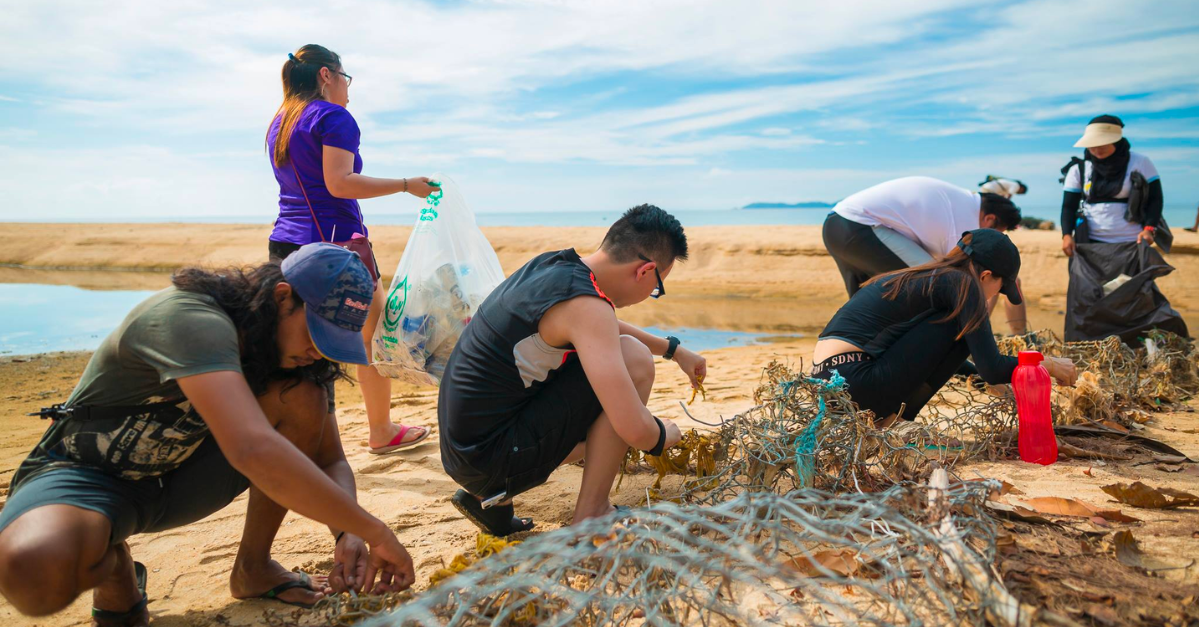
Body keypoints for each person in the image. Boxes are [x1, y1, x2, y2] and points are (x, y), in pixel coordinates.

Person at [0, 244, 416, 625]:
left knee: (303, 395)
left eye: (333, 342)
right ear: (282, 297)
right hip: (88, 475)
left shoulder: (296, 362)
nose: (318, 351)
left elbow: (329, 460)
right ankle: (114, 568)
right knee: (33, 574)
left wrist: (350, 533)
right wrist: (378, 531)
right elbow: (252, 448)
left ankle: (254, 568)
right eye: (316, 333)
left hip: (183, 482)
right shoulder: (191, 316)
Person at [438, 205, 707, 536]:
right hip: (488, 461)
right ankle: (592, 512)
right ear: (644, 271)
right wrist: (666, 433)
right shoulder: (588, 308)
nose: (650, 297)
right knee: (633, 360)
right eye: (656, 288)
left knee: (610, 364)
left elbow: (601, 324)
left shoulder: (557, 266)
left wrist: (672, 349)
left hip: (464, 447)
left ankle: (490, 500)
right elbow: (638, 433)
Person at [267, 44, 439, 454]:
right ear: (326, 75)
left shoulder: (280, 121)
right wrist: (404, 185)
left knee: (295, 345)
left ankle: (288, 436)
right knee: (372, 337)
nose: (348, 87)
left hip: (285, 242)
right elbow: (340, 183)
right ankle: (380, 431)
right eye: (346, 77)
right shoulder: (333, 116)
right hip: (335, 247)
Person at [812, 230, 1077, 428]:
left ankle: (893, 420)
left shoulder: (932, 276)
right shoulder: (964, 286)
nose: (995, 295)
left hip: (829, 386)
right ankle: (896, 422)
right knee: (962, 324)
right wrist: (1050, 364)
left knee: (957, 326)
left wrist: (987, 383)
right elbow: (992, 368)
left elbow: (930, 353)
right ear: (985, 276)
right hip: (858, 381)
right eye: (1001, 288)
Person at [822, 176, 1029, 335]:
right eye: (999, 232)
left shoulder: (964, 200)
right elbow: (963, 278)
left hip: (835, 224)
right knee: (939, 283)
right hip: (859, 226)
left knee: (863, 303)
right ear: (990, 219)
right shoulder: (966, 221)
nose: (995, 238)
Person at [1060, 115, 1162, 254]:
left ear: (1117, 141)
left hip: (1132, 241)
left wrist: (1149, 229)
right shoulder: (1079, 168)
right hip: (1088, 241)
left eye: (1102, 144)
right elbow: (1068, 206)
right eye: (1092, 145)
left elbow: (1155, 199)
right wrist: (1066, 235)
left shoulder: (1140, 162)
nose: (1096, 149)